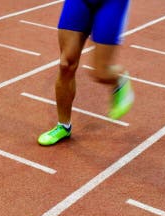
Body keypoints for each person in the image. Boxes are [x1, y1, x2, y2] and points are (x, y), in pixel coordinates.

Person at [38, 0, 134, 146]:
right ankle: (63, 126)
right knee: (66, 64)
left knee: (101, 73)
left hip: (111, 3)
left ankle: (119, 79)